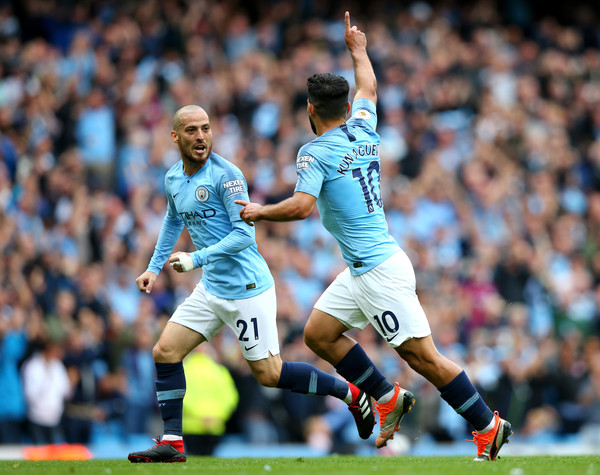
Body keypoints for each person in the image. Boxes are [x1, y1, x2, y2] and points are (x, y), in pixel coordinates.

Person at [236, 11, 512, 461]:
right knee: (319, 333)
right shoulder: (364, 127)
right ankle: (385, 397)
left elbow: (303, 207)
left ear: (309, 109)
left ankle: (487, 425)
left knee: (424, 358)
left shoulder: (313, 152)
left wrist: (259, 211)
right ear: (345, 108)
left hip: (379, 271)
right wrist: (359, 50)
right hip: (364, 268)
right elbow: (369, 87)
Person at [127, 104, 374, 463]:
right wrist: (153, 268)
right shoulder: (173, 179)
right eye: (192, 130)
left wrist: (195, 259)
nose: (201, 137)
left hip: (247, 289)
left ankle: (351, 392)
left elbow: (244, 236)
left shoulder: (227, 176)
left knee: (270, 375)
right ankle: (173, 441)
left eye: (206, 129)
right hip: (212, 288)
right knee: (164, 352)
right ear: (175, 137)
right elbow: (171, 221)